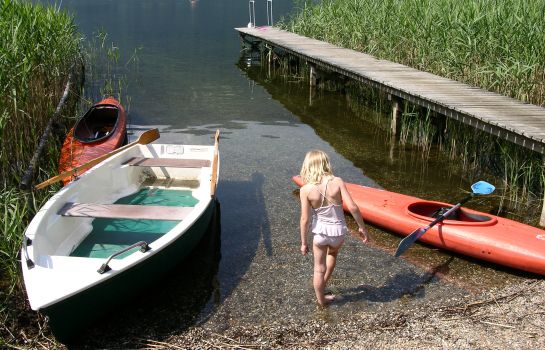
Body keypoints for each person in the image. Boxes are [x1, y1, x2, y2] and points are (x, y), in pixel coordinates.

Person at [299, 150, 369, 306]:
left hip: (320, 234)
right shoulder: (337, 181)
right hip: (338, 233)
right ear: (326, 163)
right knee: (333, 255)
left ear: (308, 166)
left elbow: (305, 219)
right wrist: (362, 228)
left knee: (318, 268)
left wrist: (304, 243)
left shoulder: (305, 190)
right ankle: (322, 285)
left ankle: (321, 299)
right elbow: (353, 207)